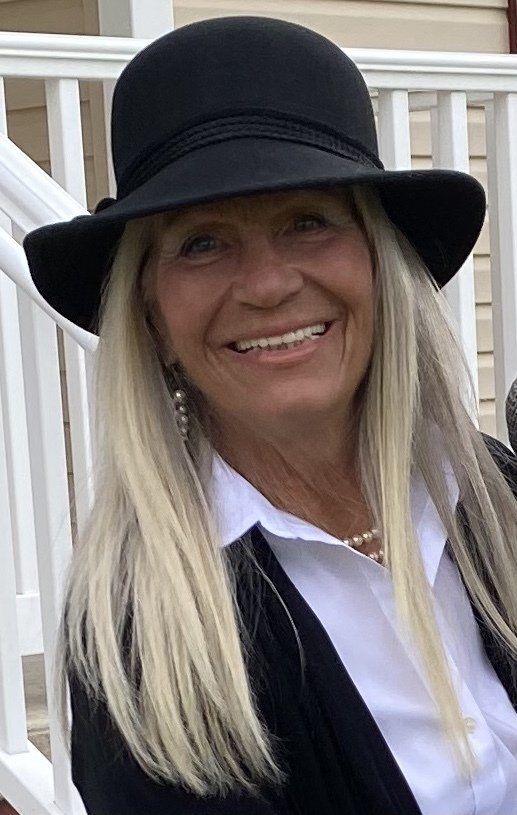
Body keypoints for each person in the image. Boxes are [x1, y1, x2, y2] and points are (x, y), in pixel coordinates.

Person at [22, 15, 517, 815]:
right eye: (201, 243)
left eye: (307, 222)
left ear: (377, 261)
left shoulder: (492, 494)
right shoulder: (146, 647)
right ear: (152, 315)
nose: (266, 284)